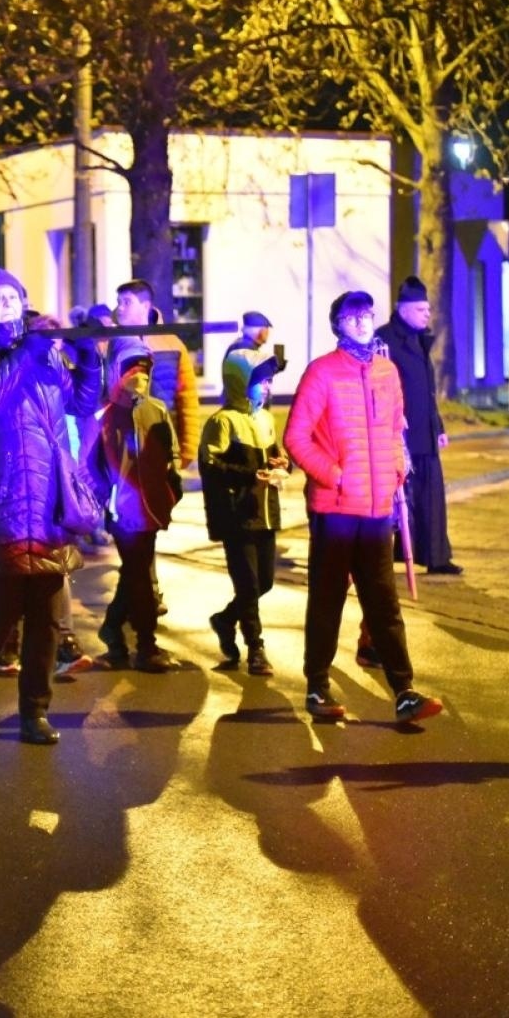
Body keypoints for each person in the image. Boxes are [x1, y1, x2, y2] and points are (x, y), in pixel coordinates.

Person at [0, 266, 100, 744]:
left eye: (15, 296)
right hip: (1, 501)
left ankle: (34, 710)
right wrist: (25, 353)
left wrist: (90, 360)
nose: (9, 305)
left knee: (48, 615)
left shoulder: (39, 348)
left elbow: (79, 402)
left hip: (49, 501)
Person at [283, 290, 443, 725]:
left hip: (377, 511)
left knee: (384, 604)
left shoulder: (388, 372)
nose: (361, 323)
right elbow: (295, 438)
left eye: (367, 315)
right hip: (335, 511)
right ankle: (317, 685)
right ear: (338, 324)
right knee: (327, 600)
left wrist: (396, 468)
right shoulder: (321, 373)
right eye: (352, 317)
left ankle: (404, 691)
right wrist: (333, 474)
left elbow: (395, 429)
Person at [91, 338, 183, 672]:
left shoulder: (155, 409)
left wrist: (171, 487)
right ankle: (146, 644)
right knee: (140, 574)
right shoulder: (105, 414)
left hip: (152, 507)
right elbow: (92, 463)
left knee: (135, 572)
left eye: (144, 368)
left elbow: (169, 451)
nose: (139, 375)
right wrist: (104, 498)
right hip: (122, 509)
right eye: (132, 368)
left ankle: (114, 630)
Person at [199, 346, 286, 675]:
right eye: (260, 381)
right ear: (238, 382)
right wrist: (249, 475)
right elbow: (210, 464)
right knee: (248, 584)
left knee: (264, 581)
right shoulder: (222, 422)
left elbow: (274, 452)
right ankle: (256, 648)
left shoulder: (265, 419)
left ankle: (224, 619)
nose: (266, 388)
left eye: (268, 382)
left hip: (265, 512)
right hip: (237, 515)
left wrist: (280, 460)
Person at [377, 276, 462, 575]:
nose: (428, 314)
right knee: (399, 500)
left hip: (423, 434)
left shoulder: (420, 339)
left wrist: (437, 426)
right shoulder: (385, 340)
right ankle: (391, 556)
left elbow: (427, 389)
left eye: (428, 309)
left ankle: (436, 557)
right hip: (399, 436)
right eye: (421, 309)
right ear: (403, 309)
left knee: (431, 499)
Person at [115, 279, 197, 469]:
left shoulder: (172, 344)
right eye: (118, 302)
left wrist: (187, 450)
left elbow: (187, 399)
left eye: (126, 302)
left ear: (145, 306)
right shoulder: (111, 345)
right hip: (122, 448)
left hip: (162, 444)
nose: (120, 308)